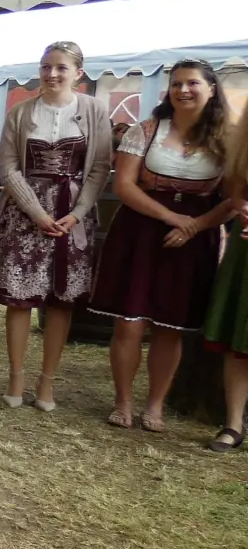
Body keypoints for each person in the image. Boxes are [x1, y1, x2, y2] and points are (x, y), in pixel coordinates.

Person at [90, 60, 233, 431]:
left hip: (194, 238)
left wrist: (196, 225)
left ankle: (154, 406)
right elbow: (124, 186)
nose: (183, 90)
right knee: (130, 322)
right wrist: (174, 219)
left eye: (192, 83)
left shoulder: (227, 138)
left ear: (212, 89)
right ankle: (122, 401)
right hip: (141, 231)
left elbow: (232, 198)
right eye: (176, 84)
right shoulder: (147, 129)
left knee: (171, 325)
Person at [0, 41, 112, 410]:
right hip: (26, 214)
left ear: (78, 72)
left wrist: (77, 213)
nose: (51, 74)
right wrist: (36, 211)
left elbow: (99, 167)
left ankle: (47, 382)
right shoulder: (21, 112)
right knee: (20, 300)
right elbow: (8, 168)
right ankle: (16, 377)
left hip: (71, 214)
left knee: (61, 300)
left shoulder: (94, 110)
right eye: (46, 66)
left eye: (60, 67)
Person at [203, 121, 248, 452]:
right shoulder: (242, 138)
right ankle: (233, 425)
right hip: (245, 248)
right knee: (237, 334)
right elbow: (234, 187)